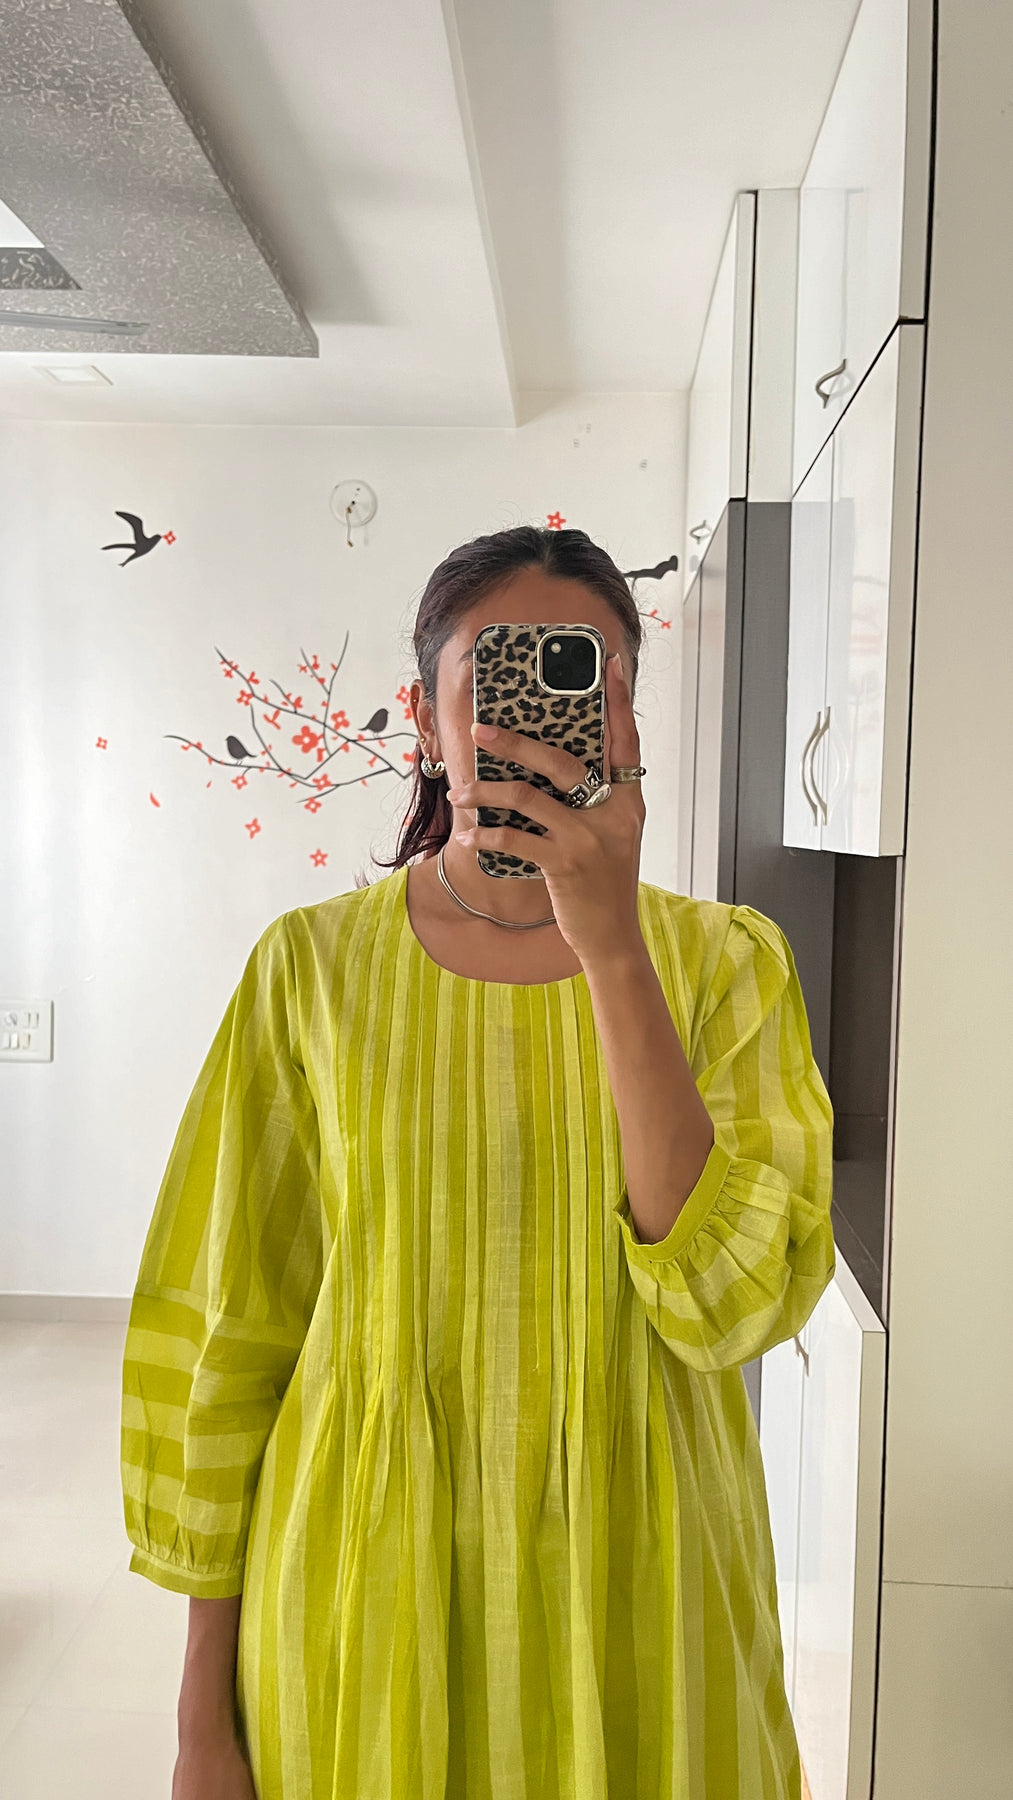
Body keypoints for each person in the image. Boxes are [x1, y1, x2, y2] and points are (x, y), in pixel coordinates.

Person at [121, 526, 835, 1800]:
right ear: (424, 718)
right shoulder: (310, 971)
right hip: (358, 1586)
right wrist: (199, 1719)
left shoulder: (725, 966)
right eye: (502, 677)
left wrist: (610, 946)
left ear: (626, 719)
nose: (551, 718)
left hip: (648, 1587)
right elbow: (228, 1336)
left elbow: (729, 1307)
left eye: (594, 677)